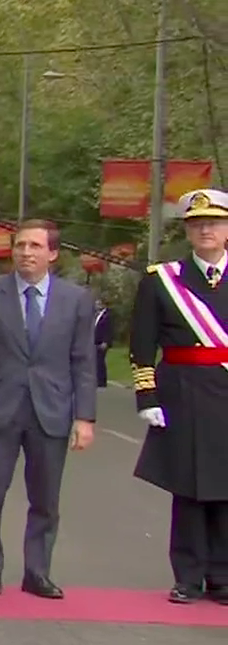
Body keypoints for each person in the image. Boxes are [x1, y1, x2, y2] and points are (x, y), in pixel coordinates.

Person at [0, 219, 97, 599]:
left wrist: (84, 416)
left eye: (35, 246)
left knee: (46, 500)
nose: (26, 253)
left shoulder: (76, 300)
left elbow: (83, 360)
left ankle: (37, 572)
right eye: (20, 246)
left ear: (52, 253)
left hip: (51, 410)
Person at [129, 187, 228, 604]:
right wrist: (147, 396)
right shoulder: (162, 280)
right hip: (182, 393)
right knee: (187, 488)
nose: (205, 229)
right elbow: (142, 342)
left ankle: (222, 576)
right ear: (188, 231)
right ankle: (187, 575)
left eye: (213, 223)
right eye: (197, 224)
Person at [92, 299, 113, 389]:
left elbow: (108, 329)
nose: (96, 306)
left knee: (100, 360)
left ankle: (102, 381)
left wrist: (106, 341)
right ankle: (98, 379)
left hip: (102, 342)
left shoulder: (107, 316)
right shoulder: (97, 315)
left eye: (98, 304)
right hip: (96, 342)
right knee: (97, 360)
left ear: (102, 305)